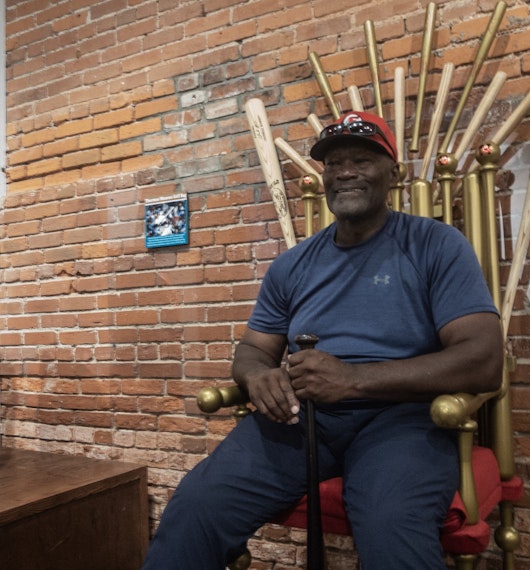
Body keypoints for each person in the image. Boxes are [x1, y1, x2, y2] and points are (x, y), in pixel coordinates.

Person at [142, 111, 503, 569]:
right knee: (197, 505)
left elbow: (484, 359)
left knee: (391, 522)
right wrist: (258, 378)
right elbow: (254, 349)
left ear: (393, 173)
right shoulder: (292, 265)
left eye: (362, 160)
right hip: (303, 418)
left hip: (405, 418)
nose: (345, 172)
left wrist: (353, 380)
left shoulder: (436, 245)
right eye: (333, 164)